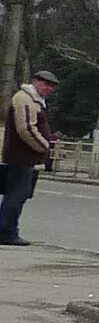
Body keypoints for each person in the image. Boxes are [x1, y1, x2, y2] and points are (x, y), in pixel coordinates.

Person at [2, 69, 59, 246]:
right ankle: (6, 232)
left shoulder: (35, 101)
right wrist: (44, 145)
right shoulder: (25, 99)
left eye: (51, 86)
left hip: (26, 156)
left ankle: (8, 230)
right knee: (16, 195)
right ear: (35, 81)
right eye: (45, 84)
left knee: (19, 194)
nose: (48, 88)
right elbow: (26, 128)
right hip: (20, 156)